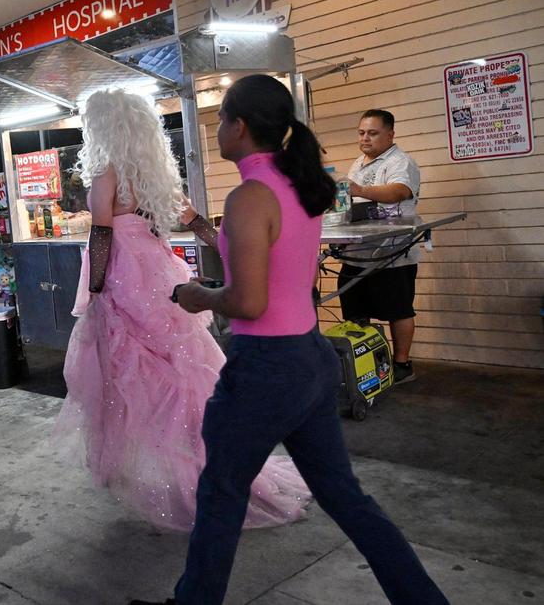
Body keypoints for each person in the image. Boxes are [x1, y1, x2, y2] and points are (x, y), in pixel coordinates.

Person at [133, 75, 448, 605]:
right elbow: (282, 279)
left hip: (266, 366)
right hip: (308, 355)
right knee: (345, 497)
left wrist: (200, 296)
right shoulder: (298, 187)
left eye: (220, 121)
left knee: (220, 492)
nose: (216, 132)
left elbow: (250, 302)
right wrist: (204, 236)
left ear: (239, 126)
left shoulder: (249, 196)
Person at [53, 89, 309, 533]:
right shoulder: (154, 176)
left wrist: (93, 291)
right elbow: (198, 224)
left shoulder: (105, 174)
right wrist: (237, 251)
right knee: (184, 364)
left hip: (121, 276)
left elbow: (101, 236)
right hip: (157, 272)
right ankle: (206, 453)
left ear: (103, 127)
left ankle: (153, 464)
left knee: (126, 372)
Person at [339, 109, 422, 384]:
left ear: (390, 134)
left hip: (392, 253)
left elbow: (399, 191)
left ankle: (402, 365)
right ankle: (368, 362)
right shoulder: (358, 164)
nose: (365, 138)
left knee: (398, 309)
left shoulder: (401, 162)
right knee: (354, 310)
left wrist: (359, 190)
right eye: (361, 133)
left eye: (373, 133)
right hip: (357, 253)